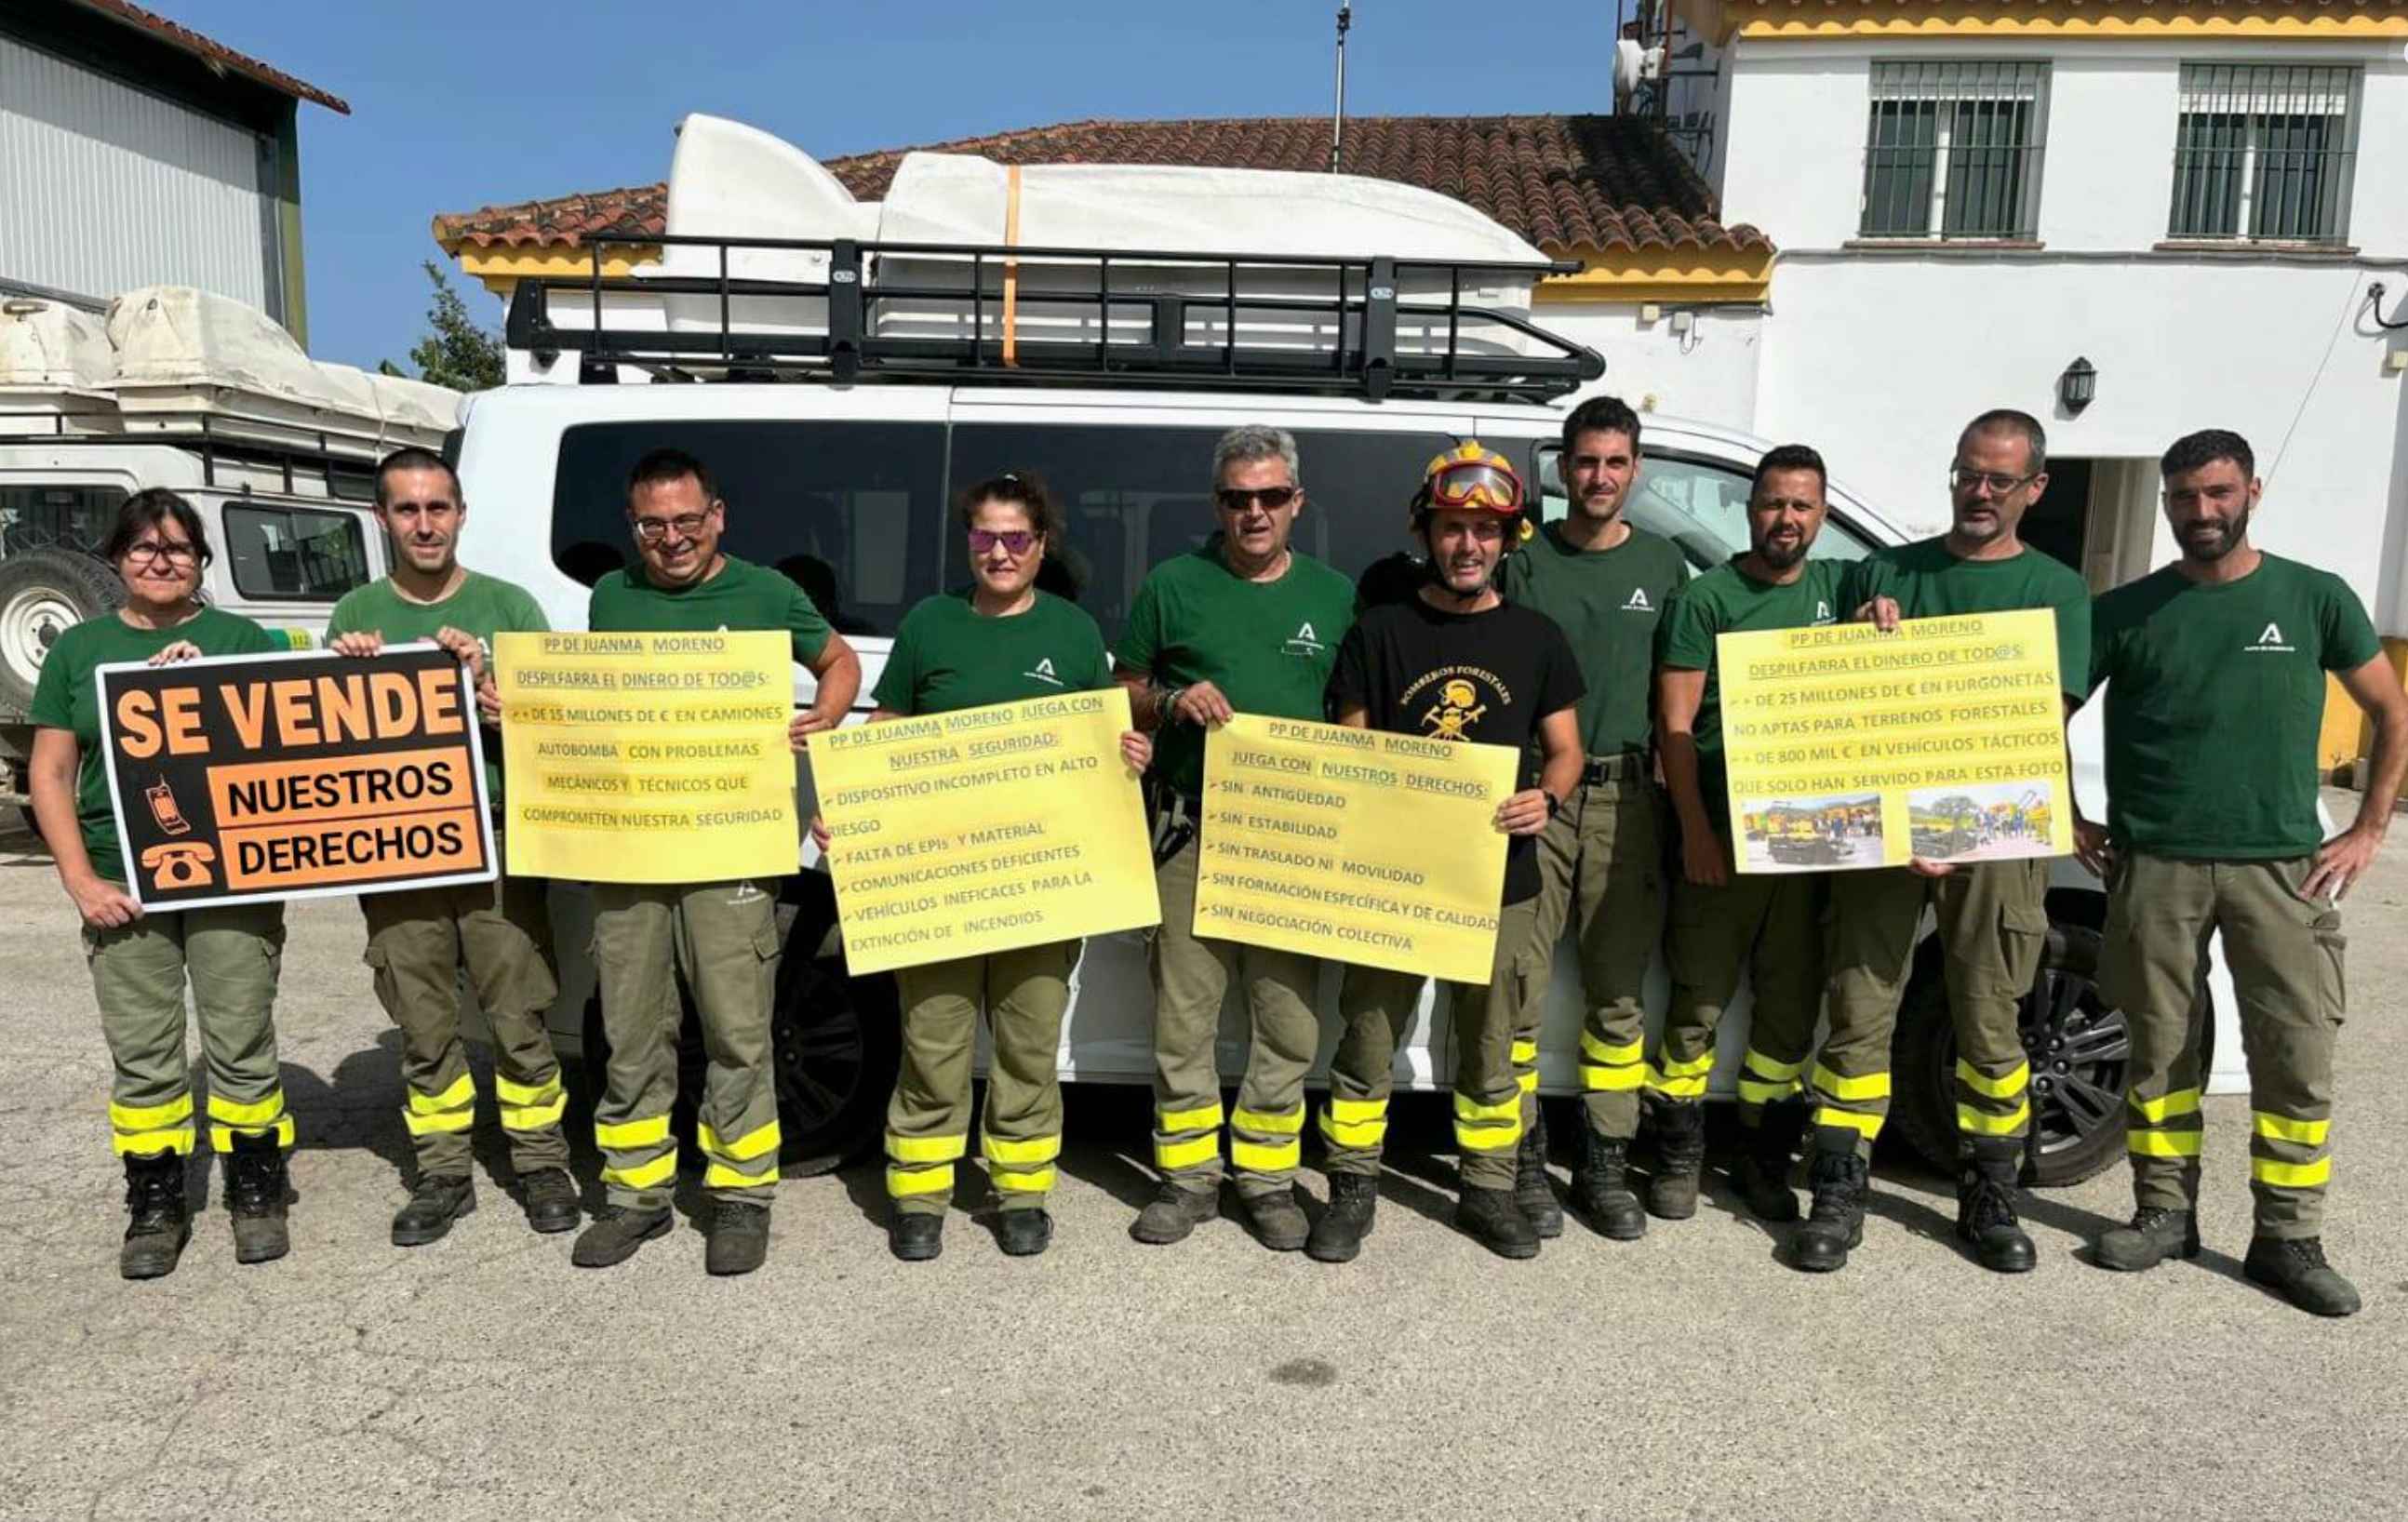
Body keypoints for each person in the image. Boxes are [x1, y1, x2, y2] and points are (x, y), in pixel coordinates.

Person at [2080, 429, 2405, 1316]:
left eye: (2218, 493)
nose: (2202, 512)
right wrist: (2066, 816)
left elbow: (2389, 707)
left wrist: (2369, 828)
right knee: (2158, 1048)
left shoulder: (2312, 597)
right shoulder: (2127, 610)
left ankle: (2289, 1239)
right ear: (2166, 503)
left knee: (2296, 1052)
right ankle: (2162, 1214)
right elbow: (2043, 706)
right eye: (2184, 497)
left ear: (2252, 492)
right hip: (2156, 866)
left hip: (2284, 872)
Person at [828, 473, 1149, 1262]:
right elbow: (888, 725)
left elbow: (1094, 742)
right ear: (967, 542)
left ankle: (1021, 1193)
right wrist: (846, 795)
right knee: (931, 1042)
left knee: (1028, 1046)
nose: (1000, 552)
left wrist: (1127, 755)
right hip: (939, 884)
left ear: (1042, 546)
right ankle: (920, 1195)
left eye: (1016, 538)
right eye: (985, 537)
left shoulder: (1075, 634)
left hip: (1041, 886)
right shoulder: (931, 625)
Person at [1796, 409, 2088, 1275]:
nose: (1980, 492)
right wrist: (1855, 640)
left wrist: (1946, 824)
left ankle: (1990, 1194)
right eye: (1968, 473)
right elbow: (1845, 709)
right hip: (1884, 834)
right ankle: (1839, 1189)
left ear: (2034, 489)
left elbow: (2044, 721)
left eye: (2001, 479)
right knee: (1859, 1009)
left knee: (1992, 1018)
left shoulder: (2054, 590)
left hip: (1993, 838)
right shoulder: (1888, 572)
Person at [573, 447, 863, 1276]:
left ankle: (740, 1196)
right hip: (631, 849)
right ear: (634, 527)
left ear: (718, 517)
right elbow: (594, 705)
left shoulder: (768, 593)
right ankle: (636, 1198)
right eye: (652, 525)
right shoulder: (611, 597)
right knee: (632, 1030)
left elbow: (837, 661)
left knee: (738, 1029)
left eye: (687, 521)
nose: (671, 539)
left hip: (735, 844)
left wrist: (825, 717)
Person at [1315, 444, 1584, 1261]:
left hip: (1500, 877)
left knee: (1492, 1045)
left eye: (1485, 531)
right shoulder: (1379, 632)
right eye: (1453, 528)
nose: (1468, 545)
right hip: (1393, 875)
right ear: (1426, 533)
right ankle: (1352, 1188)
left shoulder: (1537, 637)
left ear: (1508, 540)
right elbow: (1350, 746)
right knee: (1368, 1039)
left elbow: (1566, 748)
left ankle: (1489, 1190)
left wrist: (1550, 796)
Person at [27, 490, 292, 1278]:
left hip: (231, 874)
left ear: (200, 561)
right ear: (115, 560)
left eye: (179, 548)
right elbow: (51, 769)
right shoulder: (79, 650)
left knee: (241, 1040)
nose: (161, 561)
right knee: (144, 1054)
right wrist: (78, 880)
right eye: (144, 547)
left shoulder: (241, 638)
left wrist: (211, 689)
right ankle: (155, 1200)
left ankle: (256, 1186)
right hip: (120, 875)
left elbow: (294, 747)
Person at [325, 447, 576, 1248]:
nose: (425, 524)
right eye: (407, 509)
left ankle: (541, 1166)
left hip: (497, 839)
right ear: (383, 519)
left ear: (461, 514)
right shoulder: (354, 617)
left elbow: (562, 731)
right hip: (396, 850)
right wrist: (345, 679)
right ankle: (443, 1174)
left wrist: (497, 692)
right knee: (424, 1023)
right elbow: (326, 750)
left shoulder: (511, 607)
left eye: (438, 507)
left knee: (519, 1016)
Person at [1114, 424, 1356, 1251]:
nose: (1253, 512)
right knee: (1185, 1016)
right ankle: (1187, 1182)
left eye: (1270, 497)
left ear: (1298, 502)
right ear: (1216, 503)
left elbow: (1353, 720)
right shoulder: (1172, 584)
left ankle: (1267, 1180)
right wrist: (1171, 699)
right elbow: (1124, 691)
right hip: (1189, 826)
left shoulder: (1334, 595)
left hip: (1291, 837)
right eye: (1236, 498)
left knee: (1286, 1018)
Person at [1497, 394, 1687, 1241]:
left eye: (1615, 462)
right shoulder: (1524, 562)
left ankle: (1606, 1161)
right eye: (1585, 462)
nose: (1599, 477)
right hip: (1531, 798)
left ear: (1635, 469)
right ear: (1561, 470)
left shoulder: (1666, 562)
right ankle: (1522, 1158)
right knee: (1518, 989)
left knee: (1618, 995)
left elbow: (1690, 688)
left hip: (1627, 800)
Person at [1650, 444, 1848, 1224]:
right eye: (1772, 503)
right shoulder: (1708, 598)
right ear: (1749, 508)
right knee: (1696, 1003)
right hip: (1724, 831)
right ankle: (1675, 1155)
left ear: (1822, 514)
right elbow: (1674, 725)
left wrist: (1886, 618)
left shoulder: (1844, 587)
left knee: (1787, 1015)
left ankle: (1762, 1157)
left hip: (1816, 838)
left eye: (1801, 505)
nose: (1786, 519)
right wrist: (1696, 831)